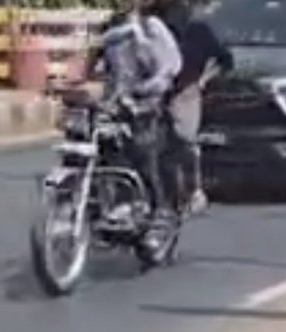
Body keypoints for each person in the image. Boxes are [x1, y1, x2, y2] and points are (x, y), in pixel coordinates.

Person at [84, 0, 183, 223]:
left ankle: (158, 214)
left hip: (144, 106)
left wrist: (142, 91)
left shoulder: (151, 27)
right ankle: (105, 206)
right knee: (102, 155)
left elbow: (169, 68)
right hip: (114, 106)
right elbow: (94, 69)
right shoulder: (109, 28)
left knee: (143, 160)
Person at [159, 0, 234, 213]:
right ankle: (169, 194)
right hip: (157, 90)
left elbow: (225, 61)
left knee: (184, 140)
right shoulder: (160, 30)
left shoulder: (199, 31)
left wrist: (203, 80)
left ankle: (194, 191)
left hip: (186, 91)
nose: (178, 11)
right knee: (161, 146)